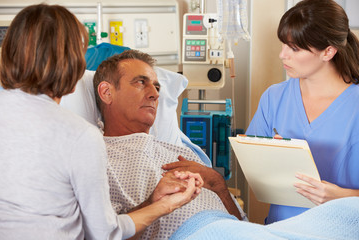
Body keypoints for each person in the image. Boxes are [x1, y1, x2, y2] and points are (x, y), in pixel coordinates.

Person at [0, 4, 203, 240]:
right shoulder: (79, 136)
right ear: (72, 66)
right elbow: (105, 233)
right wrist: (164, 205)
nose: (154, 94)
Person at [93, 49, 246, 239]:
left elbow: (243, 224)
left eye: (157, 87)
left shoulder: (182, 153)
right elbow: (109, 235)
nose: (155, 95)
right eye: (141, 83)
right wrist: (154, 202)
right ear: (107, 92)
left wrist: (219, 186)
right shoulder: (98, 159)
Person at [246, 0, 359, 224]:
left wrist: (342, 197)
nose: (282, 55)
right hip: (281, 228)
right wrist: (271, 157)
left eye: (294, 48)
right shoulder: (274, 98)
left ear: (328, 51)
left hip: (342, 229)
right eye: (283, 45)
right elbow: (255, 175)